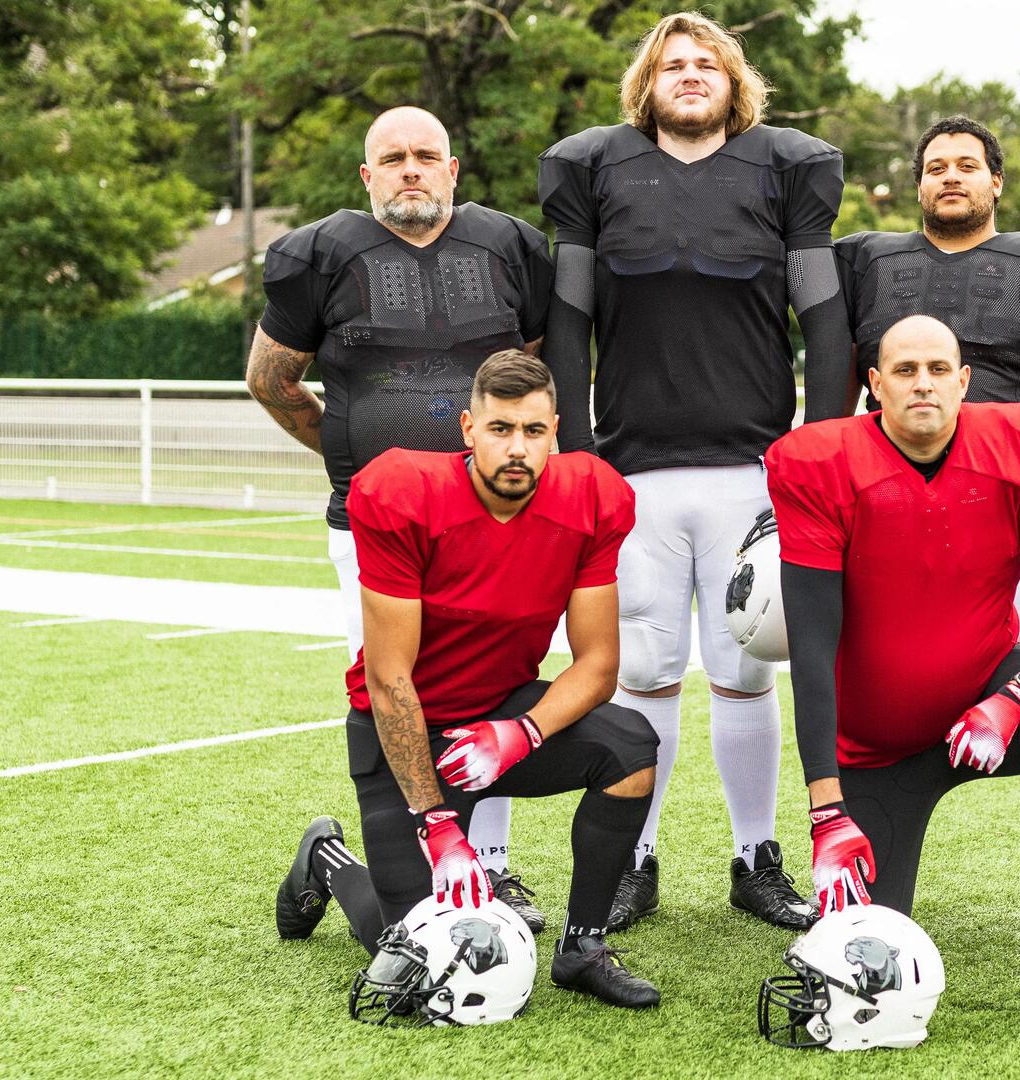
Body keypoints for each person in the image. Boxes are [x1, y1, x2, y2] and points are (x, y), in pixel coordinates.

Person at [536, 10, 855, 931]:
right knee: (644, 667)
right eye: (670, 64)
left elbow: (824, 322)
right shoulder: (598, 172)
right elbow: (568, 324)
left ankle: (756, 855)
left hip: (753, 467)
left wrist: (820, 448)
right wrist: (579, 456)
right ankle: (637, 857)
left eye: (704, 64)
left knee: (747, 671)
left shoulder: (783, 171)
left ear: (733, 82)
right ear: (647, 84)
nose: (687, 75)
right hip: (633, 472)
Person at [766, 315, 1020, 1034]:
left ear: (963, 381)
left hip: (984, 700)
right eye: (905, 370)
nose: (923, 384)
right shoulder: (819, 462)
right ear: (874, 385)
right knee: (862, 971)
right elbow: (812, 650)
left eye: (938, 369)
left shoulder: (1019, 445)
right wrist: (826, 809)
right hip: (877, 744)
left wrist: (1012, 700)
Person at [834, 115, 1020, 952]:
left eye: (967, 165)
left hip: (1012, 515)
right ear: (917, 183)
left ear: (996, 181)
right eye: (935, 167)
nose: (951, 178)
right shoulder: (868, 261)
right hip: (890, 511)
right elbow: (833, 394)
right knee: (868, 681)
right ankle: (849, 854)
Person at [272, 351, 664, 1009]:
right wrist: (435, 820)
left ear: (556, 432)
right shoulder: (403, 494)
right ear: (467, 430)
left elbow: (597, 664)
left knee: (630, 749)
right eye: (500, 429)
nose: (518, 449)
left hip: (499, 714)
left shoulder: (590, 496)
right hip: (406, 733)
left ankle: (584, 947)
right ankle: (327, 860)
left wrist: (522, 731)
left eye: (533, 432)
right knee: (418, 952)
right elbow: (389, 676)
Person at [247, 106, 553, 930]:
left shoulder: (510, 247)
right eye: (394, 158)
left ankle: (489, 865)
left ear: (454, 170)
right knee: (398, 683)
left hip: (495, 516)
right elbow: (270, 379)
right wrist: (347, 455)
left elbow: (537, 375)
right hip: (372, 524)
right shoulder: (323, 253)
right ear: (368, 175)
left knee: (491, 678)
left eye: (427, 156)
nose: (411, 169)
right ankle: (355, 854)